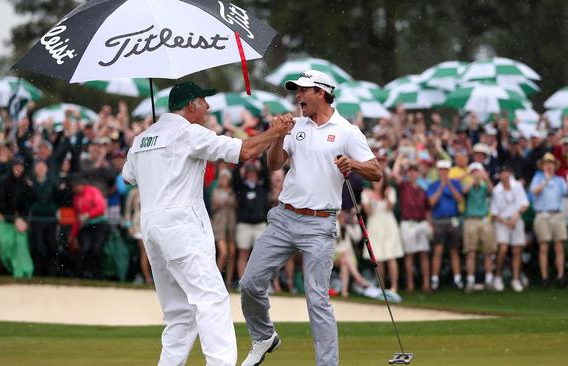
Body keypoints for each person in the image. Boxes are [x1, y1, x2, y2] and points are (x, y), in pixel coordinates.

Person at [121, 81, 293, 366]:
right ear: (190, 106)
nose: (208, 106)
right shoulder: (190, 133)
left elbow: (130, 176)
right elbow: (246, 151)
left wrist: (155, 147)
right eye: (203, 101)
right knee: (211, 300)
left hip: (152, 228)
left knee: (179, 314)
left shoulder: (141, 139)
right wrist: (275, 132)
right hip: (181, 226)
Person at [239, 70, 381, 366]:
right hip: (284, 217)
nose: (298, 96)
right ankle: (264, 336)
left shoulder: (347, 131)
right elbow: (275, 165)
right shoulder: (296, 125)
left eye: (304, 90)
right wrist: (278, 137)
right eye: (297, 91)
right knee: (250, 283)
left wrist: (351, 163)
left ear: (322, 93)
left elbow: (376, 172)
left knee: (317, 299)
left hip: (319, 224)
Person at [530, 153, 568, 287]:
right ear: (542, 166)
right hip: (542, 215)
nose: (549, 165)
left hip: (557, 214)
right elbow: (534, 192)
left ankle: (560, 276)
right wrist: (545, 181)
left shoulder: (559, 180)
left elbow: (567, 193)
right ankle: (544, 277)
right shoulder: (538, 178)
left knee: (559, 246)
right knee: (544, 246)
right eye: (546, 163)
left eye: (551, 163)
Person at [392, 159, 432, 293]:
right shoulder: (403, 186)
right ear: (408, 174)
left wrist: (429, 224)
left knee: (423, 254)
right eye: (411, 172)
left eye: (415, 172)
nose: (413, 174)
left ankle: (426, 284)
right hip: (407, 223)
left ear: (418, 174)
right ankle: (410, 285)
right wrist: (400, 159)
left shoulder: (422, 190)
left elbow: (427, 209)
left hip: (421, 222)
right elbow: (394, 175)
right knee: (409, 255)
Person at [361, 170, 404, 293]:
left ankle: (394, 287)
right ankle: (381, 287)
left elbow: (390, 207)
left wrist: (385, 195)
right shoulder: (366, 193)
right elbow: (368, 212)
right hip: (374, 226)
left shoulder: (390, 191)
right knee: (378, 258)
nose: (377, 183)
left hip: (389, 225)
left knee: (391, 256)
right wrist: (370, 198)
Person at [490, 165, 529, 292]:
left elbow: (524, 204)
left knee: (517, 250)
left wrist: (516, 216)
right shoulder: (496, 190)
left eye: (508, 172)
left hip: (516, 221)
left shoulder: (517, 186)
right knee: (503, 248)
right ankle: (497, 277)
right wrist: (507, 222)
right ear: (500, 175)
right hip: (502, 222)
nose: (506, 175)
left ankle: (516, 279)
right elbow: (494, 214)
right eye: (503, 173)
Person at [427, 160, 464, 290]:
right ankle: (435, 279)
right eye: (441, 170)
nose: (443, 172)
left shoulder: (455, 183)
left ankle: (458, 279)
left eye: (445, 170)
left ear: (448, 171)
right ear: (438, 171)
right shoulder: (433, 185)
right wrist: (441, 187)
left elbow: (460, 199)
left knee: (454, 250)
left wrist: (449, 185)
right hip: (438, 221)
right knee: (438, 250)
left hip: (453, 220)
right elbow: (431, 203)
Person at [461, 162, 496, 292]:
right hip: (470, 220)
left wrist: (485, 179)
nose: (476, 174)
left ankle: (489, 280)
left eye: (478, 172)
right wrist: (473, 179)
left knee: (488, 252)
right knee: (471, 252)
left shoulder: (484, 185)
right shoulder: (467, 185)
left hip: (484, 219)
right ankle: (470, 281)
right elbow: (464, 191)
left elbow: (492, 191)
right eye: (474, 172)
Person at [210, 168, 237, 287]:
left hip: (230, 226)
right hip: (219, 226)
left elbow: (235, 204)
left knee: (232, 253)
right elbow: (216, 204)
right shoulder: (216, 190)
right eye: (223, 177)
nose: (225, 180)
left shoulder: (232, 191)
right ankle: (214, 280)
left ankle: (228, 282)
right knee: (224, 252)